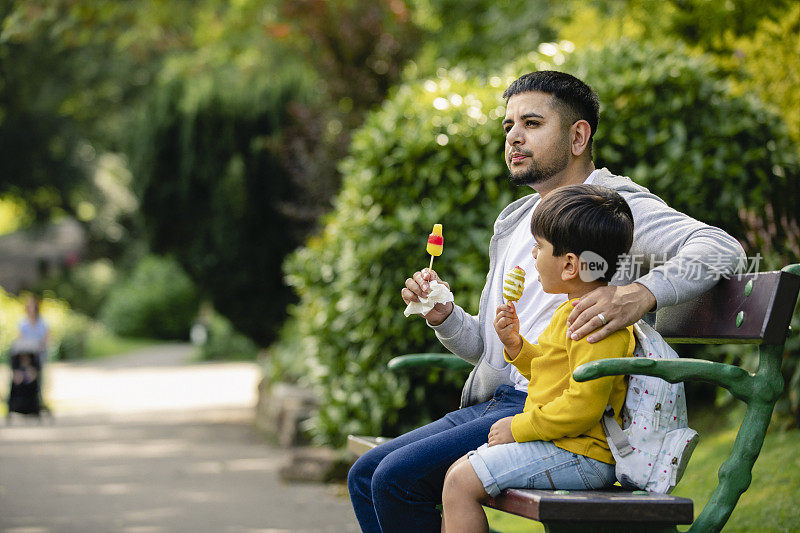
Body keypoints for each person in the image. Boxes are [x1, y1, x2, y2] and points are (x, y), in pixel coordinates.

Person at [347, 70, 745, 533]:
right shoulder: (517, 221)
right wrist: (446, 316)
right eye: (509, 125)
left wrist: (639, 294)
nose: (514, 137)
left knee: (396, 480)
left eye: (532, 124)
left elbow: (721, 247)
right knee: (365, 475)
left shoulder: (611, 207)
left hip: (556, 410)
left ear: (578, 136)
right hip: (502, 398)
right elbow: (486, 348)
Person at [441, 184, 635, 532]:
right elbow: (552, 371)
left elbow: (583, 407)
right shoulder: (570, 311)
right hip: (567, 446)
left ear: (570, 266)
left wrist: (518, 428)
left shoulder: (596, 324)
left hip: (583, 455)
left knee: (459, 482)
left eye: (539, 247)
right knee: (459, 477)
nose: (532, 256)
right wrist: (517, 346)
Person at [18, 294, 49, 367]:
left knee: (33, 359)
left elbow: (47, 339)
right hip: (26, 351)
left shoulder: (43, 323)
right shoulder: (23, 323)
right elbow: (20, 339)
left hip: (39, 351)